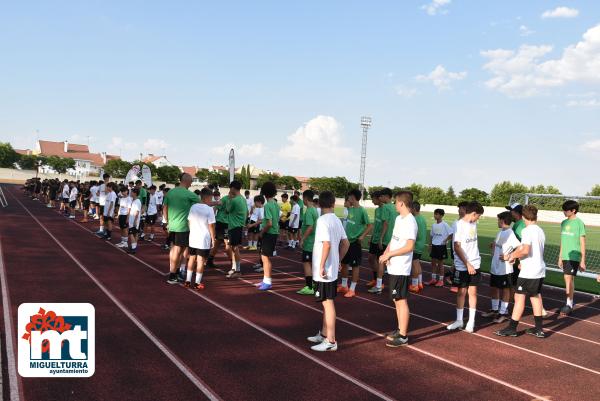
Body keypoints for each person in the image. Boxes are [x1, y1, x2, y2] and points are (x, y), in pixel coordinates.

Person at [307, 191, 350, 352]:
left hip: (324, 270)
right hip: (330, 269)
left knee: (328, 303)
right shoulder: (337, 220)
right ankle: (324, 333)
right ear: (333, 204)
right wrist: (338, 260)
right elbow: (346, 244)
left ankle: (331, 340)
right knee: (326, 302)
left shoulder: (323, 221)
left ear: (319, 204)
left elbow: (326, 244)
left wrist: (322, 265)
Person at [496, 205, 547, 338]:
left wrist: (511, 256)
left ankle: (512, 328)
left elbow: (525, 249)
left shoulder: (527, 231)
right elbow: (534, 251)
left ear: (523, 216)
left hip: (529, 272)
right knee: (535, 297)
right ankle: (539, 329)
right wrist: (522, 261)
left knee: (519, 298)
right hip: (539, 269)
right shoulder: (540, 230)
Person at [379, 191, 417, 347]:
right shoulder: (398, 219)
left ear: (401, 203)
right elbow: (394, 240)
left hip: (401, 267)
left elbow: (409, 246)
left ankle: (403, 335)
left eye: (396, 202)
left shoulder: (410, 221)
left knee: (401, 300)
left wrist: (391, 254)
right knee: (396, 299)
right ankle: (399, 329)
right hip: (394, 265)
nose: (394, 204)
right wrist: (387, 253)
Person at [447, 201, 485, 333]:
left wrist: (472, 263)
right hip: (463, 265)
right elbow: (457, 247)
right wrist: (467, 264)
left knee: (472, 293)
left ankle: (471, 321)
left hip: (475, 263)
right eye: (478, 216)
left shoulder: (473, 224)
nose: (478, 219)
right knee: (461, 292)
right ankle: (459, 320)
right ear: (473, 213)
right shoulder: (458, 225)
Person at [482, 211, 520, 323]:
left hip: (505, 268)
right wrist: (493, 245)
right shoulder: (500, 232)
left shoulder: (510, 233)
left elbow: (520, 247)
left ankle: (503, 312)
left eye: (498, 220)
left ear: (503, 221)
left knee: (505, 290)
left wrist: (511, 256)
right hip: (495, 267)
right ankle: (494, 309)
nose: (497, 222)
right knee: (494, 287)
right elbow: (497, 244)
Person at [164, 173, 199, 284]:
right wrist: (217, 202)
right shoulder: (189, 194)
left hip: (173, 226)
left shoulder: (170, 192)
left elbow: (165, 207)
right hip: (182, 227)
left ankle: (175, 271)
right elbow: (203, 203)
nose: (191, 183)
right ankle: (172, 275)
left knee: (175, 249)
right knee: (178, 250)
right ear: (186, 181)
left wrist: (168, 222)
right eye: (191, 181)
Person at [338, 189, 372, 298]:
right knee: (344, 264)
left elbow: (369, 225)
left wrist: (362, 236)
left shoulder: (362, 211)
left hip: (355, 243)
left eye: (349, 197)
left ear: (353, 197)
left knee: (355, 266)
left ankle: (352, 289)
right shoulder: (349, 209)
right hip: (346, 242)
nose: (348, 199)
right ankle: (344, 286)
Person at [558, 200, 586, 316]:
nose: (564, 212)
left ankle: (569, 303)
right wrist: (560, 256)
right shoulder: (563, 223)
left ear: (573, 210)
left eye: (566, 210)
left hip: (574, 255)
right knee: (568, 279)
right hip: (565, 255)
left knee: (568, 278)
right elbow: (562, 241)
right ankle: (569, 301)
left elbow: (582, 242)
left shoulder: (579, 223)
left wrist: (583, 260)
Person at [185, 188, 216, 290]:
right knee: (200, 260)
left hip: (193, 237)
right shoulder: (209, 209)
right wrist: (213, 238)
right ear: (207, 197)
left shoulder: (193, 207)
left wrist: (192, 230)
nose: (211, 200)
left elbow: (189, 221)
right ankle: (197, 283)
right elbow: (211, 225)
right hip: (203, 238)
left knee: (191, 258)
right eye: (210, 198)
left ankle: (187, 281)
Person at [369, 188, 397, 294]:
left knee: (381, 262)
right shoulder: (395, 208)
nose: (380, 198)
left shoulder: (385, 207)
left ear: (386, 196)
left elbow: (385, 223)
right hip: (393, 239)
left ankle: (379, 286)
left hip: (385, 239)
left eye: (381, 196)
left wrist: (380, 238)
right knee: (390, 263)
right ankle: (395, 287)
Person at [257, 181, 280, 290]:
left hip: (269, 233)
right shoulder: (276, 204)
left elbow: (269, 223)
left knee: (265, 257)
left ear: (264, 193)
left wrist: (261, 232)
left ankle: (267, 281)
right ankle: (265, 279)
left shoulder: (267, 205)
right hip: (274, 232)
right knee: (264, 256)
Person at [225, 180, 248, 279]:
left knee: (235, 248)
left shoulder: (234, 200)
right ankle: (234, 268)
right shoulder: (243, 199)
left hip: (234, 226)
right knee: (234, 248)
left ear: (233, 188)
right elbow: (247, 212)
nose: (230, 191)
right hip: (238, 226)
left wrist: (229, 199)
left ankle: (238, 270)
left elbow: (227, 210)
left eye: (230, 188)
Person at [298, 190, 318, 295]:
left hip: (309, 242)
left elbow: (310, 227)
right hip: (313, 241)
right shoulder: (314, 209)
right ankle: (314, 284)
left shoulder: (310, 210)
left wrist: (303, 239)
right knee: (312, 263)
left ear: (305, 198)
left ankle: (309, 287)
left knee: (306, 263)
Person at [426, 209, 452, 287]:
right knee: (433, 263)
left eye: (437, 214)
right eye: (435, 214)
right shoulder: (434, 225)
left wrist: (445, 240)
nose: (435, 216)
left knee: (440, 264)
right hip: (434, 246)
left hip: (441, 246)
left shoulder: (445, 225)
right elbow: (431, 235)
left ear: (441, 215)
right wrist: (430, 245)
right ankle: (433, 279)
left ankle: (441, 280)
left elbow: (451, 234)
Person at [447, 201, 469, 292]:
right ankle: (455, 283)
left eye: (461, 209)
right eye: (459, 209)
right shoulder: (456, 222)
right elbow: (452, 234)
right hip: (456, 248)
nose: (459, 210)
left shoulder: (469, 223)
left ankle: (449, 275)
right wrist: (445, 240)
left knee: (459, 265)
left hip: (465, 249)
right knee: (458, 265)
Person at [207, 191, 229, 268]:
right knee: (227, 243)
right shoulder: (225, 199)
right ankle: (234, 264)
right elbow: (216, 206)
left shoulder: (234, 200)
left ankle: (210, 259)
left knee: (218, 242)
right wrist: (212, 217)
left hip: (224, 223)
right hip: (223, 224)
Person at [409, 202, 427, 293]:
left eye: (410, 208)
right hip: (421, 244)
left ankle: (415, 285)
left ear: (414, 209)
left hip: (415, 245)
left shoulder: (414, 219)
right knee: (417, 264)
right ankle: (419, 283)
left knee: (414, 265)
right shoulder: (422, 218)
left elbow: (414, 234)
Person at [127, 188, 142, 254]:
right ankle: (134, 246)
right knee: (135, 234)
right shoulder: (133, 200)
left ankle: (133, 248)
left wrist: (135, 221)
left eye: (131, 192)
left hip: (134, 221)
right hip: (132, 219)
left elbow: (137, 212)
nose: (130, 193)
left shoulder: (137, 201)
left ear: (135, 193)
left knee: (131, 234)